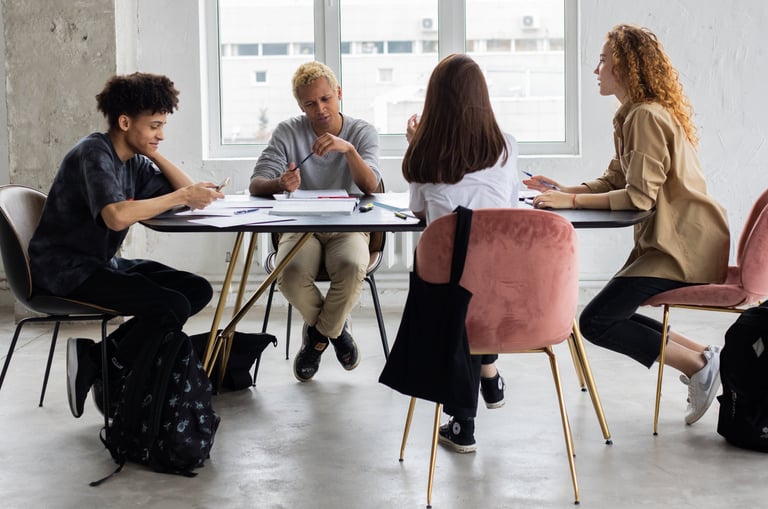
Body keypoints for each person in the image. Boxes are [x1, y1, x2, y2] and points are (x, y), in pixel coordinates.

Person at [524, 24, 730, 425]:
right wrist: (565, 189)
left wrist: (572, 201)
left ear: (625, 66)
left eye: (603, 60)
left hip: (684, 248)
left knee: (596, 321)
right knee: (607, 312)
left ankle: (697, 368)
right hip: (672, 244)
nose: (596, 68)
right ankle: (704, 356)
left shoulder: (646, 117)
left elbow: (638, 197)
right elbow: (616, 179)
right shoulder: (633, 115)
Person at [28, 72, 224, 418]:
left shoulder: (131, 161)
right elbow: (116, 216)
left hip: (99, 263)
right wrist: (181, 193)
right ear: (124, 121)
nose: (161, 134)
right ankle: (110, 366)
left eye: (162, 126)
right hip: (64, 270)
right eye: (154, 126)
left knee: (196, 290)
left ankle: (99, 358)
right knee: (170, 307)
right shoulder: (94, 153)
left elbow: (187, 197)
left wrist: (155, 153)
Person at [402, 54, 519, 453]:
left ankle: (464, 423)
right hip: (503, 284)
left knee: (458, 286)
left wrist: (415, 144)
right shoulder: (506, 147)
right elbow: (510, 210)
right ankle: (489, 371)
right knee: (477, 279)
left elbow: (419, 212)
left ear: (434, 102)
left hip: (444, 295)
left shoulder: (423, 156)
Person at [249, 61, 381, 382]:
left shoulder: (362, 132)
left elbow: (370, 186)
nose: (320, 109)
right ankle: (336, 331)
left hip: (348, 224)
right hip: (299, 225)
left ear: (338, 94)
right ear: (300, 105)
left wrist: (348, 150)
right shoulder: (287, 131)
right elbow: (256, 184)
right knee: (290, 274)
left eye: (326, 99)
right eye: (310, 103)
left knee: (351, 267)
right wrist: (281, 183)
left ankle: (317, 338)